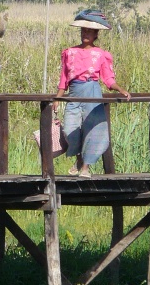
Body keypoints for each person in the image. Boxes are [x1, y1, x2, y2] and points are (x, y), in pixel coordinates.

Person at [53, 10, 130, 178]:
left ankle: (86, 167)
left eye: (89, 31)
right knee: (70, 129)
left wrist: (120, 89)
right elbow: (64, 77)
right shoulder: (70, 52)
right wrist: (58, 98)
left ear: (96, 34)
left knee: (92, 129)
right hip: (74, 92)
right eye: (83, 30)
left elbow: (108, 78)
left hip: (92, 91)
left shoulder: (101, 54)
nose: (85, 34)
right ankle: (79, 157)